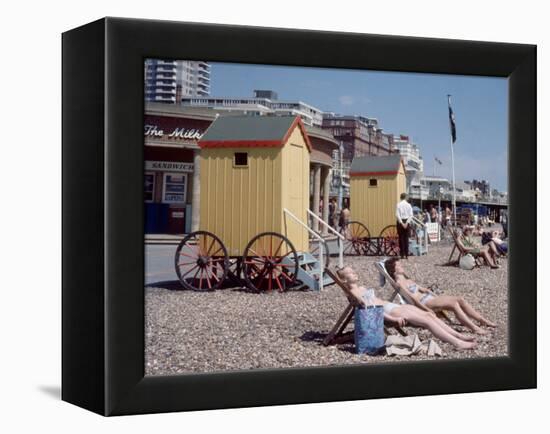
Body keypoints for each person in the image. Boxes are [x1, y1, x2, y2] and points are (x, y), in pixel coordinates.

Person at [337, 267, 477, 350]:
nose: (354, 272)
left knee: (430, 315)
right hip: (389, 311)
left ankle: (458, 335)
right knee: (427, 322)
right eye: (350, 272)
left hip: (392, 306)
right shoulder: (354, 294)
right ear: (343, 280)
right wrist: (393, 319)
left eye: (353, 270)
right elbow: (371, 310)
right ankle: (457, 342)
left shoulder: (361, 288)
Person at [384, 258, 496, 334]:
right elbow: (412, 299)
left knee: (460, 299)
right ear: (394, 270)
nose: (402, 266)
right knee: (453, 304)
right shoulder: (399, 283)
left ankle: (482, 320)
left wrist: (435, 295)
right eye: (399, 265)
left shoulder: (407, 279)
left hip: (430, 298)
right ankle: (474, 328)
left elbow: (424, 289)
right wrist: (426, 310)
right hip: (424, 302)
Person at [395, 193, 413, 259]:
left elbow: (397, 215)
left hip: (400, 222)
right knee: (406, 238)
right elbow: (411, 215)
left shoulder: (398, 205)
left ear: (400, 197)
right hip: (407, 221)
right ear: (405, 197)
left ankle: (402, 254)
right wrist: (407, 223)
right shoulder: (409, 205)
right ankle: (406, 254)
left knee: (401, 238)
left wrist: (401, 223)